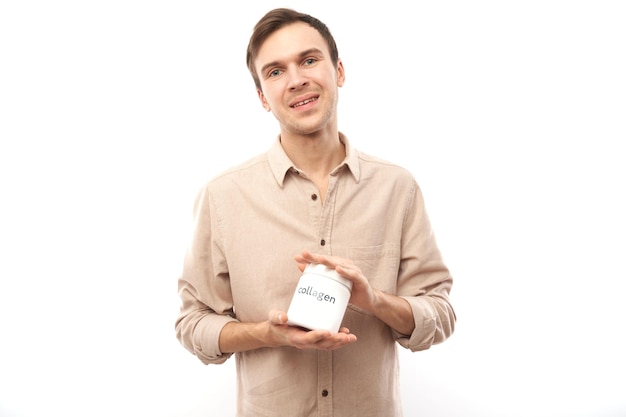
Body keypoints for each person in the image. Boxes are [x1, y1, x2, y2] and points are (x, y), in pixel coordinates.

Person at [175, 7, 456, 417]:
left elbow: (440, 312)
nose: (296, 80)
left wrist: (374, 300)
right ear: (262, 98)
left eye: (309, 60)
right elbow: (192, 323)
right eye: (274, 72)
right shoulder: (223, 197)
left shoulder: (397, 188)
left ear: (339, 71)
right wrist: (267, 334)